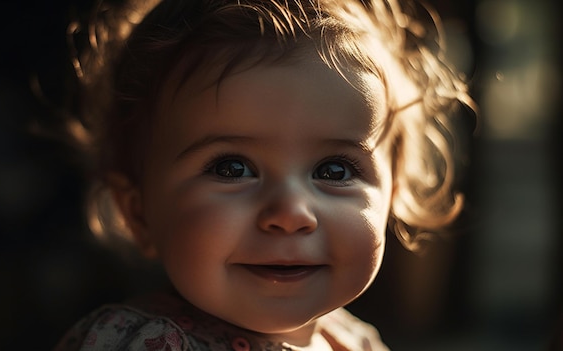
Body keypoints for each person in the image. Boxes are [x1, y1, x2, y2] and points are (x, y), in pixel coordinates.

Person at [54, 0, 476, 349]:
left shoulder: (357, 343)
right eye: (232, 168)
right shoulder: (140, 343)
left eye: (334, 170)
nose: (290, 213)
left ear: (391, 195)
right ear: (138, 212)